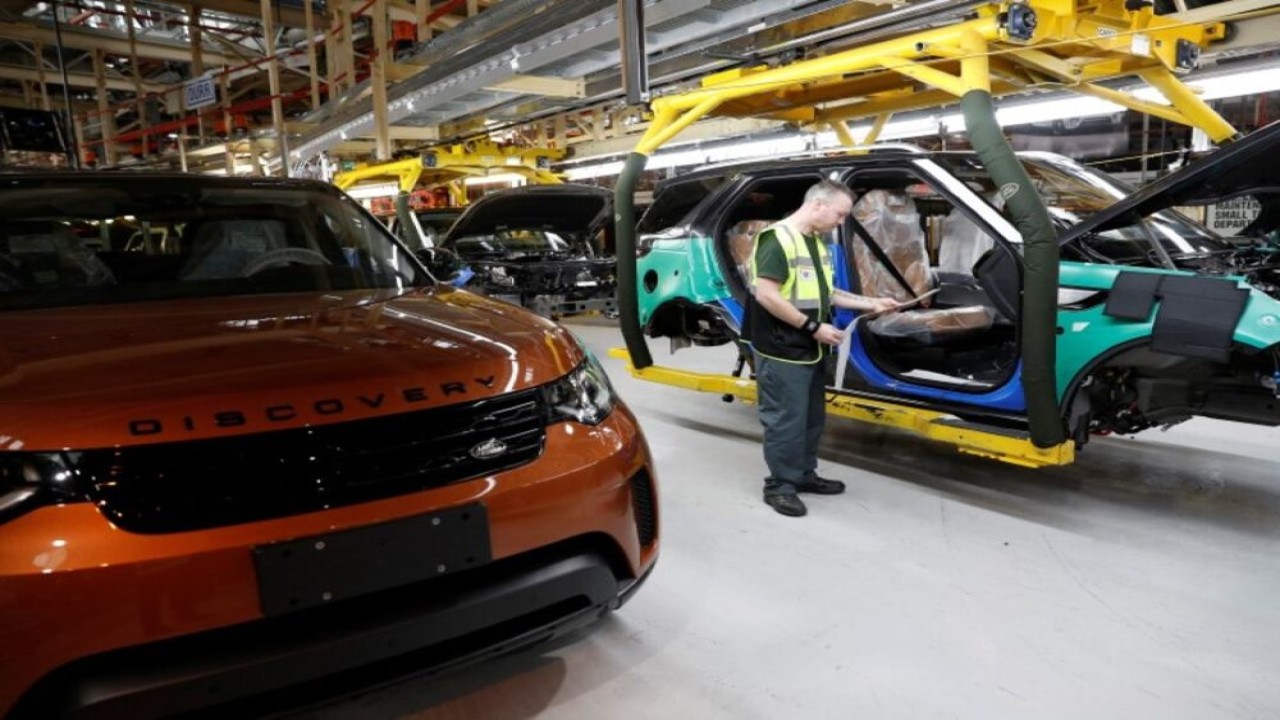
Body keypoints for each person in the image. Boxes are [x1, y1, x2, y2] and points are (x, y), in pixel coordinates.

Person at [744, 180, 899, 517]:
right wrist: (813, 328)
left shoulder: (816, 242)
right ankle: (780, 486)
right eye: (840, 214)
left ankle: (803, 475)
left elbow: (827, 294)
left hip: (809, 348)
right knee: (786, 420)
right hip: (782, 347)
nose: (841, 222)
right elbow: (766, 295)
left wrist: (870, 303)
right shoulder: (777, 239)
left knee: (812, 417)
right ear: (817, 205)